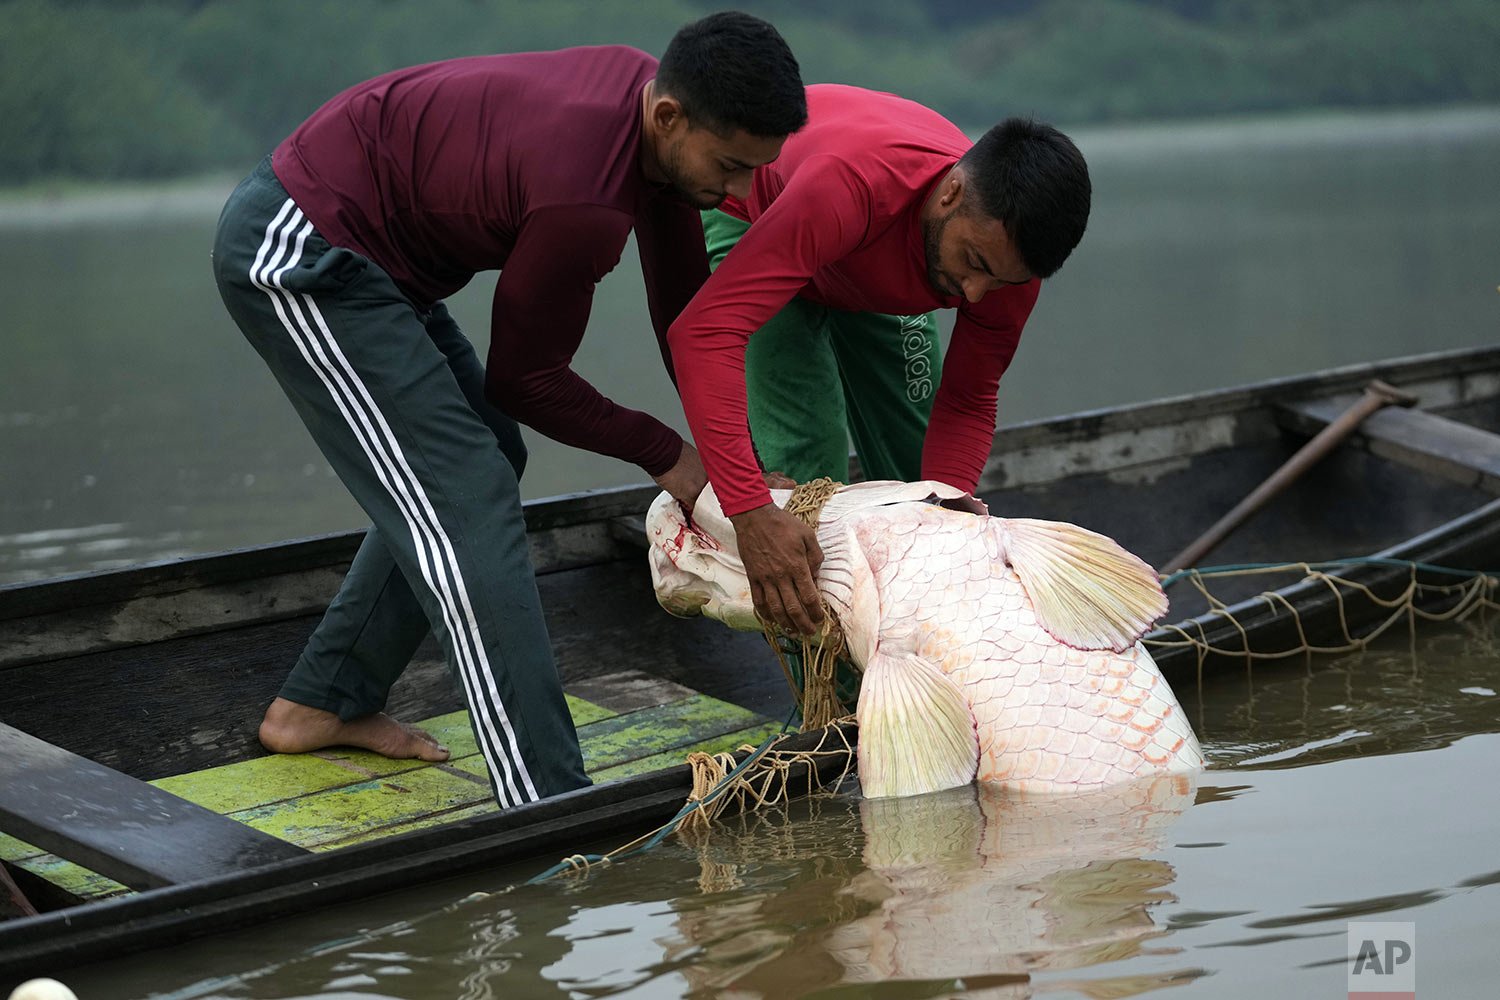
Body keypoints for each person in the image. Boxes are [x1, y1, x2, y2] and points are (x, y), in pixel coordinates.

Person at [210, 12, 807, 807]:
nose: (738, 193)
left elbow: (685, 322)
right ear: (670, 117)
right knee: (465, 498)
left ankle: (325, 700)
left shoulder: (653, 118)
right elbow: (525, 381)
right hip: (303, 250)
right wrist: (669, 455)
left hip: (386, 265)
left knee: (490, 456)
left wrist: (738, 475)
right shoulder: (583, 202)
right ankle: (546, 796)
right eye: (732, 167)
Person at [669, 85, 1092, 639]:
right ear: (950, 194)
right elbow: (704, 334)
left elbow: (968, 397)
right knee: (801, 489)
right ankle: (829, 703)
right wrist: (748, 512)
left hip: (880, 272)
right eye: (973, 262)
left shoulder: (1005, 264)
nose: (974, 294)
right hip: (769, 223)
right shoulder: (850, 187)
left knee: (928, 488)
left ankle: (927, 662)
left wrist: (947, 514)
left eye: (1000, 280)